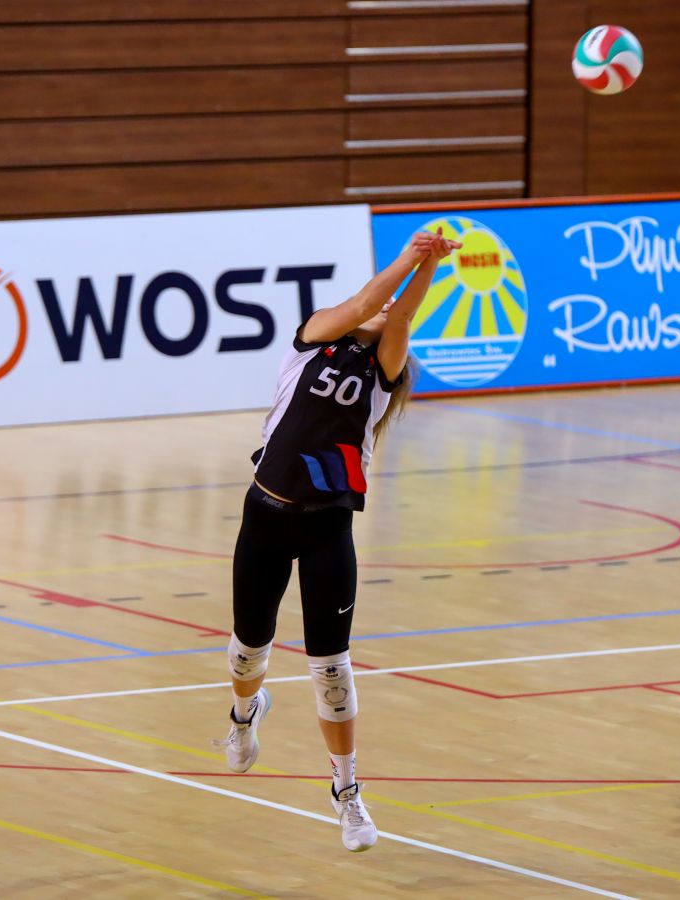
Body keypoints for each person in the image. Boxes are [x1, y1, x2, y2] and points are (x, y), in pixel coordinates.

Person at [215, 228, 461, 852]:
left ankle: (347, 793)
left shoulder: (382, 374)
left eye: (389, 314)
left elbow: (397, 314)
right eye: (377, 307)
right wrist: (411, 255)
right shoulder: (314, 339)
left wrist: (427, 264)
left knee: (331, 667)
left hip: (328, 525)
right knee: (248, 651)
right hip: (266, 514)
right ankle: (244, 714)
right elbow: (363, 305)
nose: (383, 310)